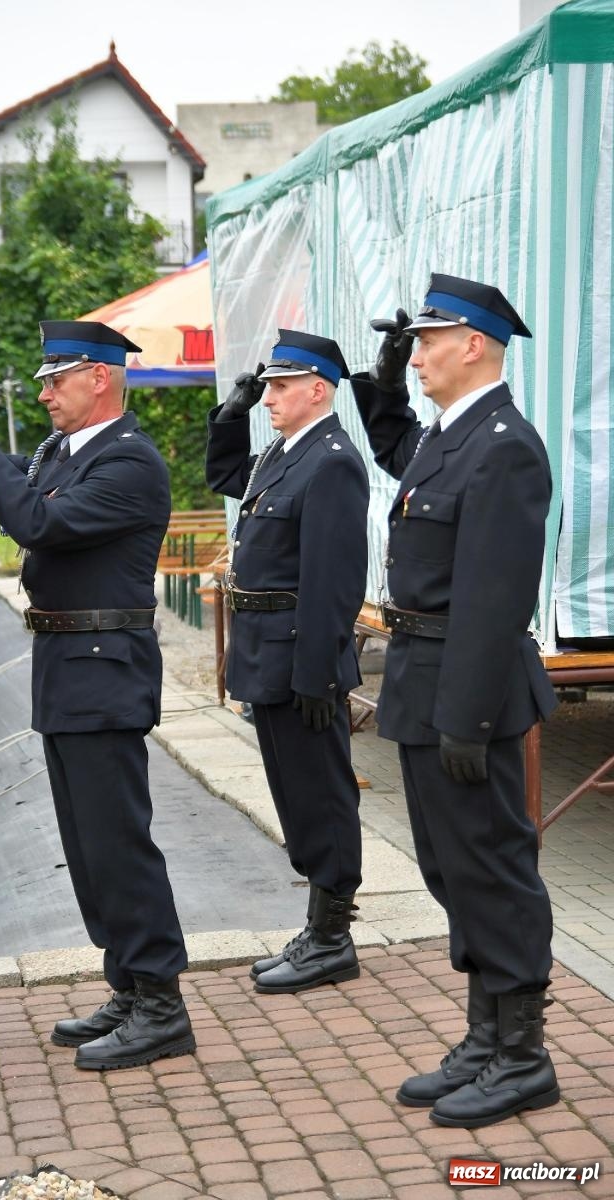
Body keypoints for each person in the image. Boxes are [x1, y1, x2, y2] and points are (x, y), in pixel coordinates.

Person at [350, 274, 559, 1129]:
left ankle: (524, 1056)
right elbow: (396, 447)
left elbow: (494, 596)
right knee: (451, 868)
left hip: (469, 691)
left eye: (427, 342)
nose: (417, 355)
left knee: (494, 868)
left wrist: (466, 717)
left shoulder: (505, 445)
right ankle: (485, 1036)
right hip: (422, 680)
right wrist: (382, 383)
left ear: (473, 344)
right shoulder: (451, 435)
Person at [0, 320, 195, 1071]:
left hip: (104, 667)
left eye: (56, 379)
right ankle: (128, 983)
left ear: (99, 377)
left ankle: (162, 1004)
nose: (44, 393)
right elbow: (14, 492)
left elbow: (39, 522)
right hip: (66, 663)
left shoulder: (130, 462)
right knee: (88, 847)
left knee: (118, 843)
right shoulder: (64, 453)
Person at [206, 329, 369, 995]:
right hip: (267, 655)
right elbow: (226, 478)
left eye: (279, 386)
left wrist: (318, 673)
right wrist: (230, 416)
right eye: (266, 386)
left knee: (321, 795)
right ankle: (318, 928)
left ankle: (333, 938)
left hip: (302, 661)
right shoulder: (285, 452)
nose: (268, 396)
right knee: (295, 795)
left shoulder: (331, 461)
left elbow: (333, 581)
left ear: (317, 390)